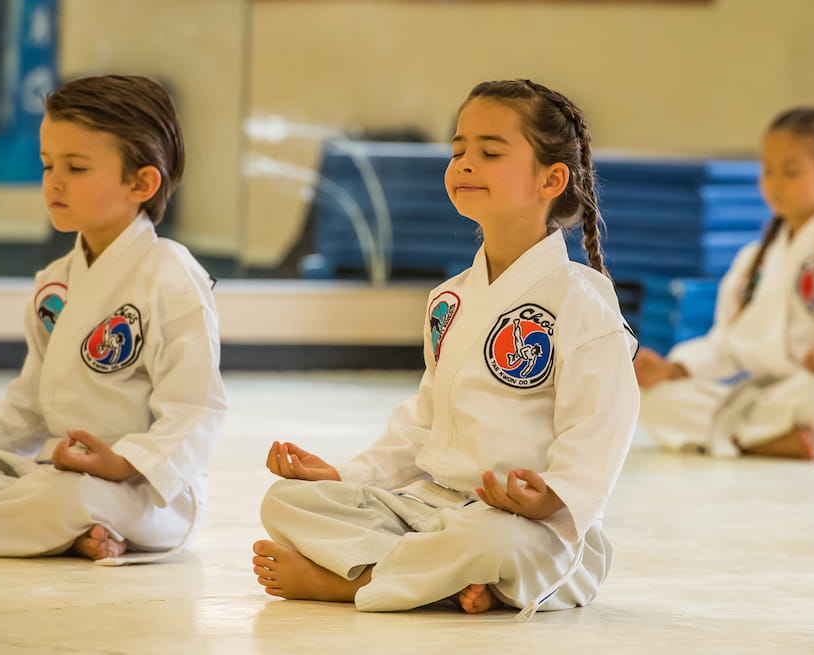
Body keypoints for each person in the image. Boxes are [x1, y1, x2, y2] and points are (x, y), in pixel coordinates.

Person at [252, 79, 639, 620]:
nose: (465, 164)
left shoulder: (581, 299)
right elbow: (422, 424)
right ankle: (445, 582)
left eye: (489, 152)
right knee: (287, 502)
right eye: (458, 150)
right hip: (431, 509)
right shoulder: (449, 298)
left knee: (492, 543)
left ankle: (351, 582)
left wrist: (552, 496)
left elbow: (603, 425)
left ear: (551, 179)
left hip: (528, 527)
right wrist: (344, 476)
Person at [0, 75, 226, 563]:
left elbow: (197, 411)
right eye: (47, 165)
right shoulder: (56, 281)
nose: (54, 182)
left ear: (141, 183)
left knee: (71, 499)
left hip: (148, 492)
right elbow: (31, 400)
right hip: (57, 472)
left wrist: (122, 463)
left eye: (77, 167)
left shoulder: (171, 276)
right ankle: (76, 535)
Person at [634, 106, 814, 459]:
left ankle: (744, 438)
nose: (775, 183)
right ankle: (771, 440)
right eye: (768, 170)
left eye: (791, 172)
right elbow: (727, 345)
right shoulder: (753, 259)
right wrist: (675, 368)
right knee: (653, 398)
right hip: (762, 397)